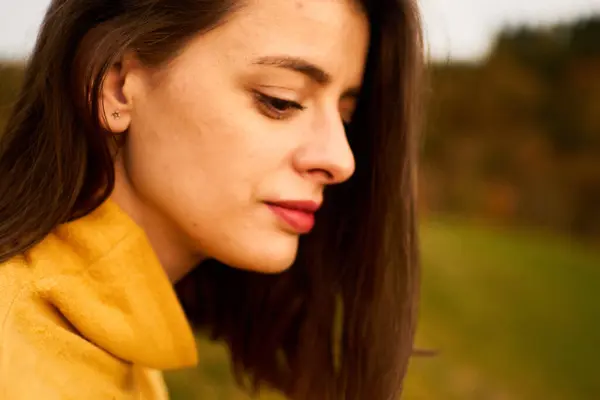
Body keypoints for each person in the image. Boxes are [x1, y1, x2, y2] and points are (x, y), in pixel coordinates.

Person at [0, 0, 424, 398]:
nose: (341, 159)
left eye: (345, 115)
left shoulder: (118, 339)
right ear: (117, 88)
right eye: (281, 101)